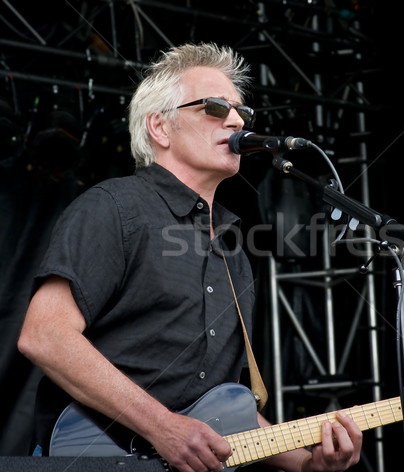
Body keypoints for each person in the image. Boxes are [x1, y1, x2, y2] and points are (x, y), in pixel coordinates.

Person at [17, 42, 362, 472]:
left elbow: (226, 413)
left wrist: (308, 464)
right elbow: (45, 336)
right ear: (160, 127)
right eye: (215, 108)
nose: (236, 120)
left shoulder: (234, 246)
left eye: (240, 111)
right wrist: (162, 426)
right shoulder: (114, 207)